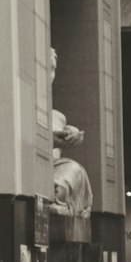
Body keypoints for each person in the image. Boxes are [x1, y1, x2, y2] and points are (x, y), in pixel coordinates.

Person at [50, 48, 93, 216]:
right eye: (46, 67)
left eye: (53, 69)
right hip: (34, 171)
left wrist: (73, 134)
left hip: (55, 170)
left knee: (73, 170)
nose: (50, 74)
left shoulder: (58, 117)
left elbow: (67, 134)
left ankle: (61, 201)